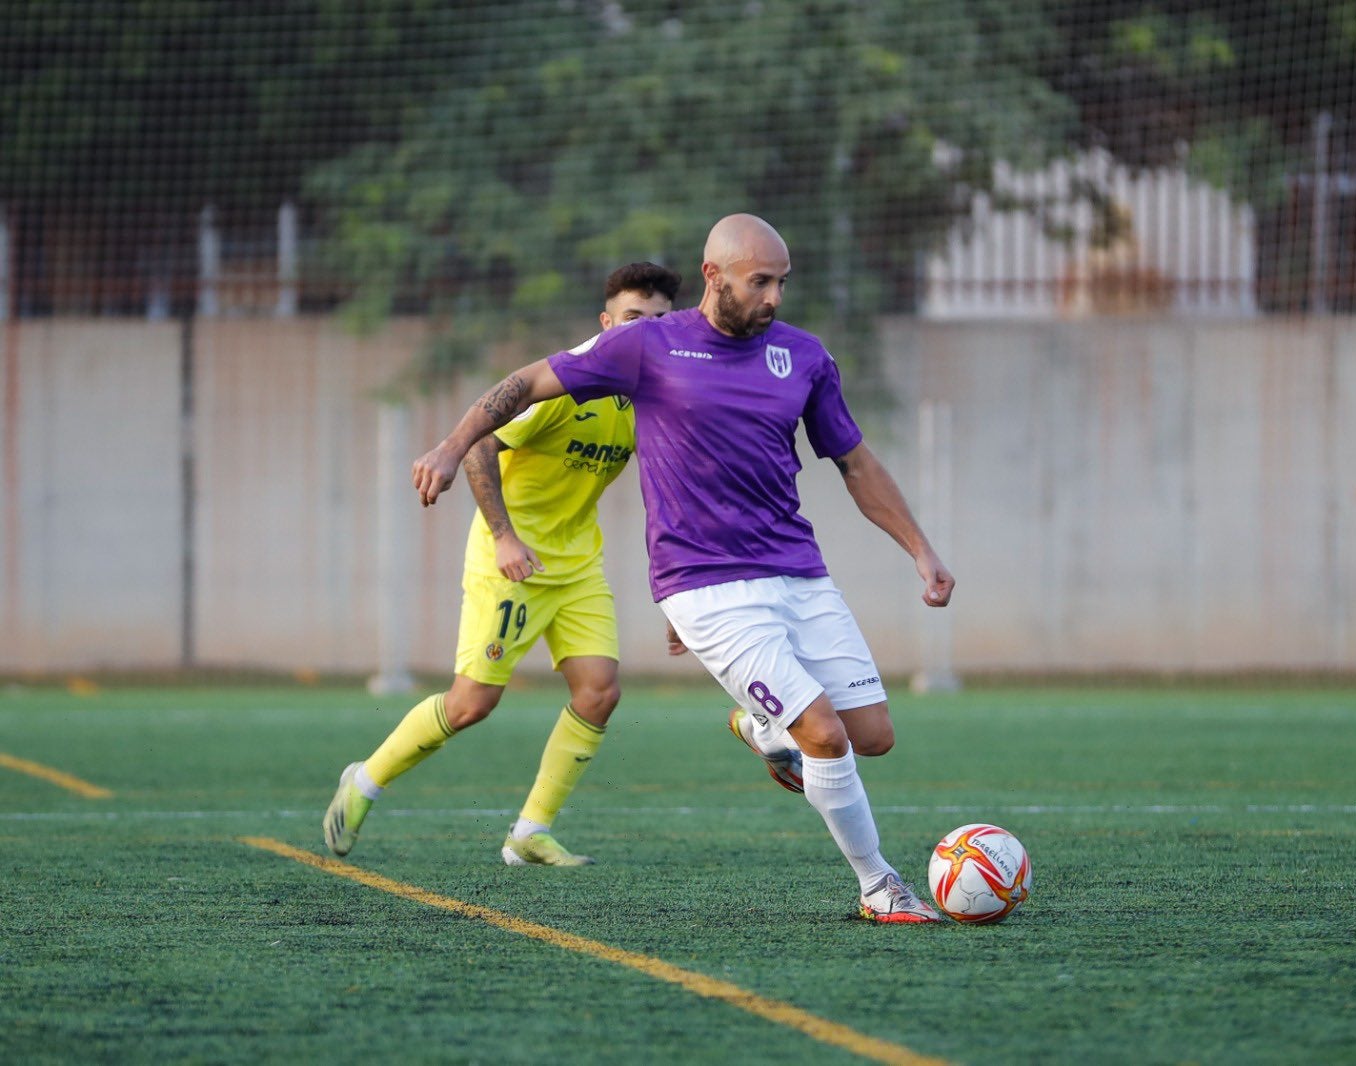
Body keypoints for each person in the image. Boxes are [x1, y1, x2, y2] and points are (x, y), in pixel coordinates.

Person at [412, 214, 956, 923]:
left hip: (798, 571)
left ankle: (763, 727)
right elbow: (526, 382)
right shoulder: (647, 344)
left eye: (781, 282)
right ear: (713, 276)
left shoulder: (803, 357)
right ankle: (879, 886)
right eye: (759, 282)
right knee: (823, 734)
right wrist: (453, 445)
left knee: (872, 736)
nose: (773, 297)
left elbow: (855, 463)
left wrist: (920, 549)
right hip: (704, 585)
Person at [323, 262, 683, 865]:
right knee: (471, 705)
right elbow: (482, 445)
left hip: (578, 565)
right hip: (511, 560)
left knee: (599, 693)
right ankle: (363, 781)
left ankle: (529, 832)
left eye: (657, 321)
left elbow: (667, 496)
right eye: (631, 318)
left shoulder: (654, 400)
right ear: (606, 323)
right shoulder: (570, 384)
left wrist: (678, 591)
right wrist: (505, 537)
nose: (643, 331)